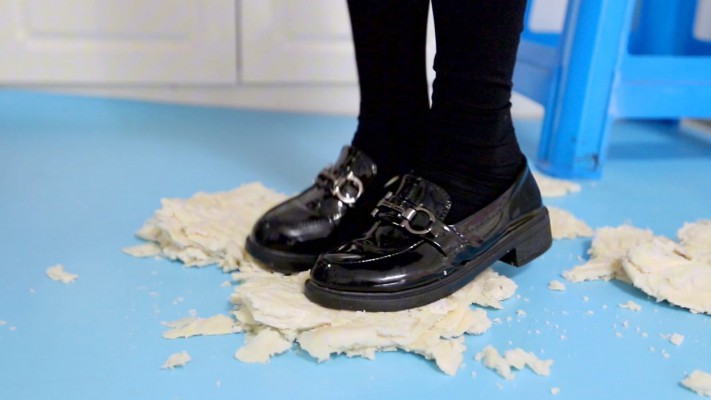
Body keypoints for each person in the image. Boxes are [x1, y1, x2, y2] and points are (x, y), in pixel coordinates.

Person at [245, 0, 552, 312]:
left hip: (478, 166)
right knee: (392, 112)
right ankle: (392, 138)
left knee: (469, 124)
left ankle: (474, 159)